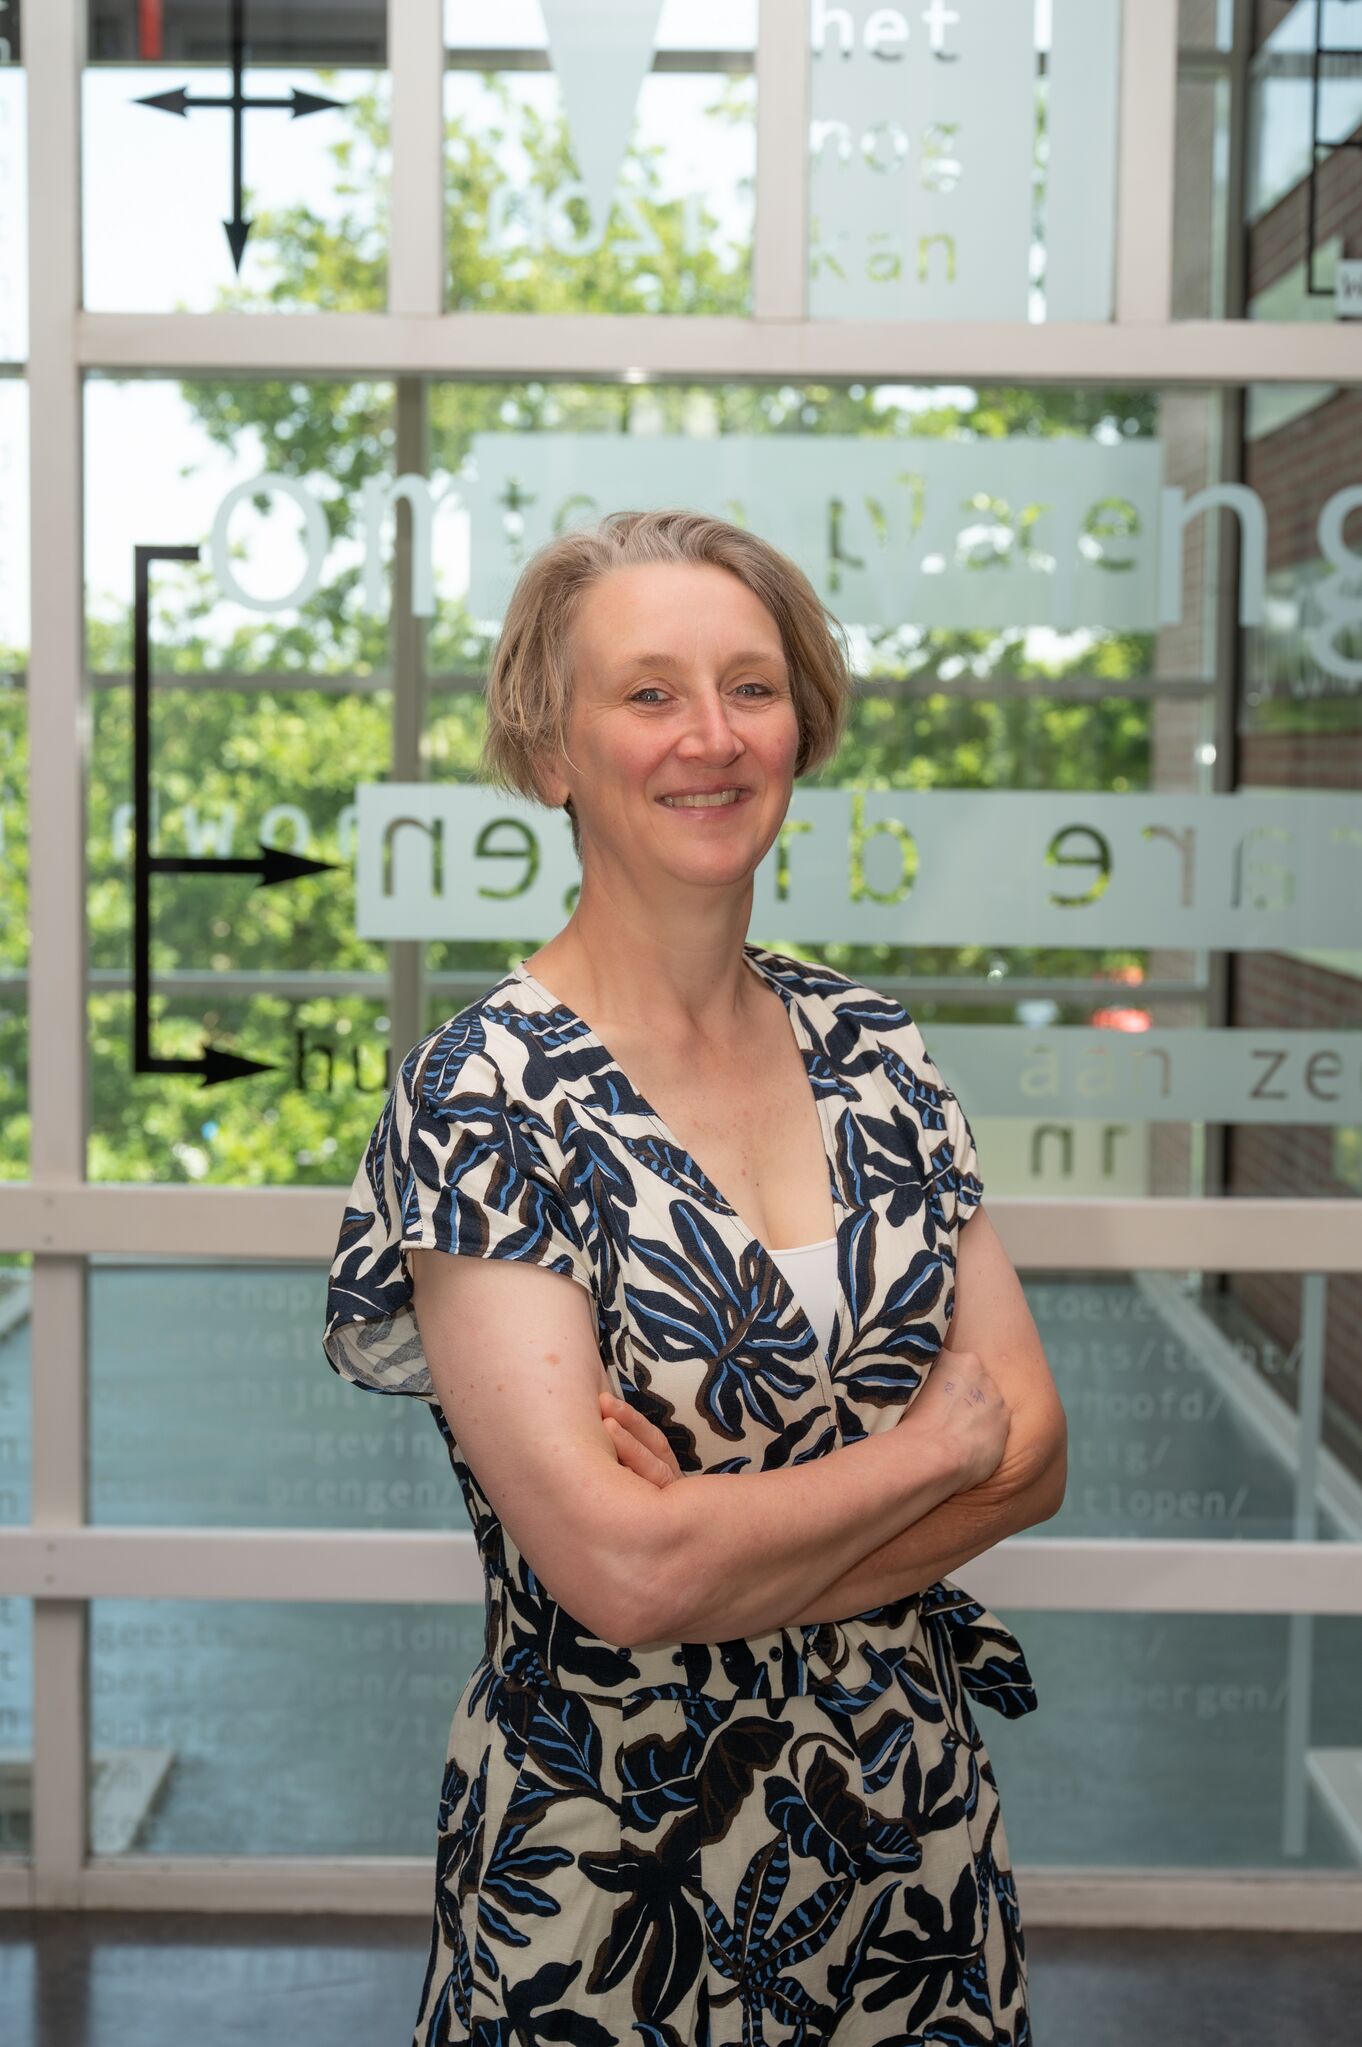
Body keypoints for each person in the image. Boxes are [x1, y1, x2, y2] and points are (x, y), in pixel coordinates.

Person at [323, 507, 1067, 2046]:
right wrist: (926, 1452)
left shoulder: (874, 1051)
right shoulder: (484, 1101)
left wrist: (712, 1550)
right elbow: (621, 1577)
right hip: (612, 1876)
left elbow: (1035, 1455)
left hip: (908, 1845)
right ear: (551, 751)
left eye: (750, 687)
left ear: (801, 725)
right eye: (648, 693)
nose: (710, 737)